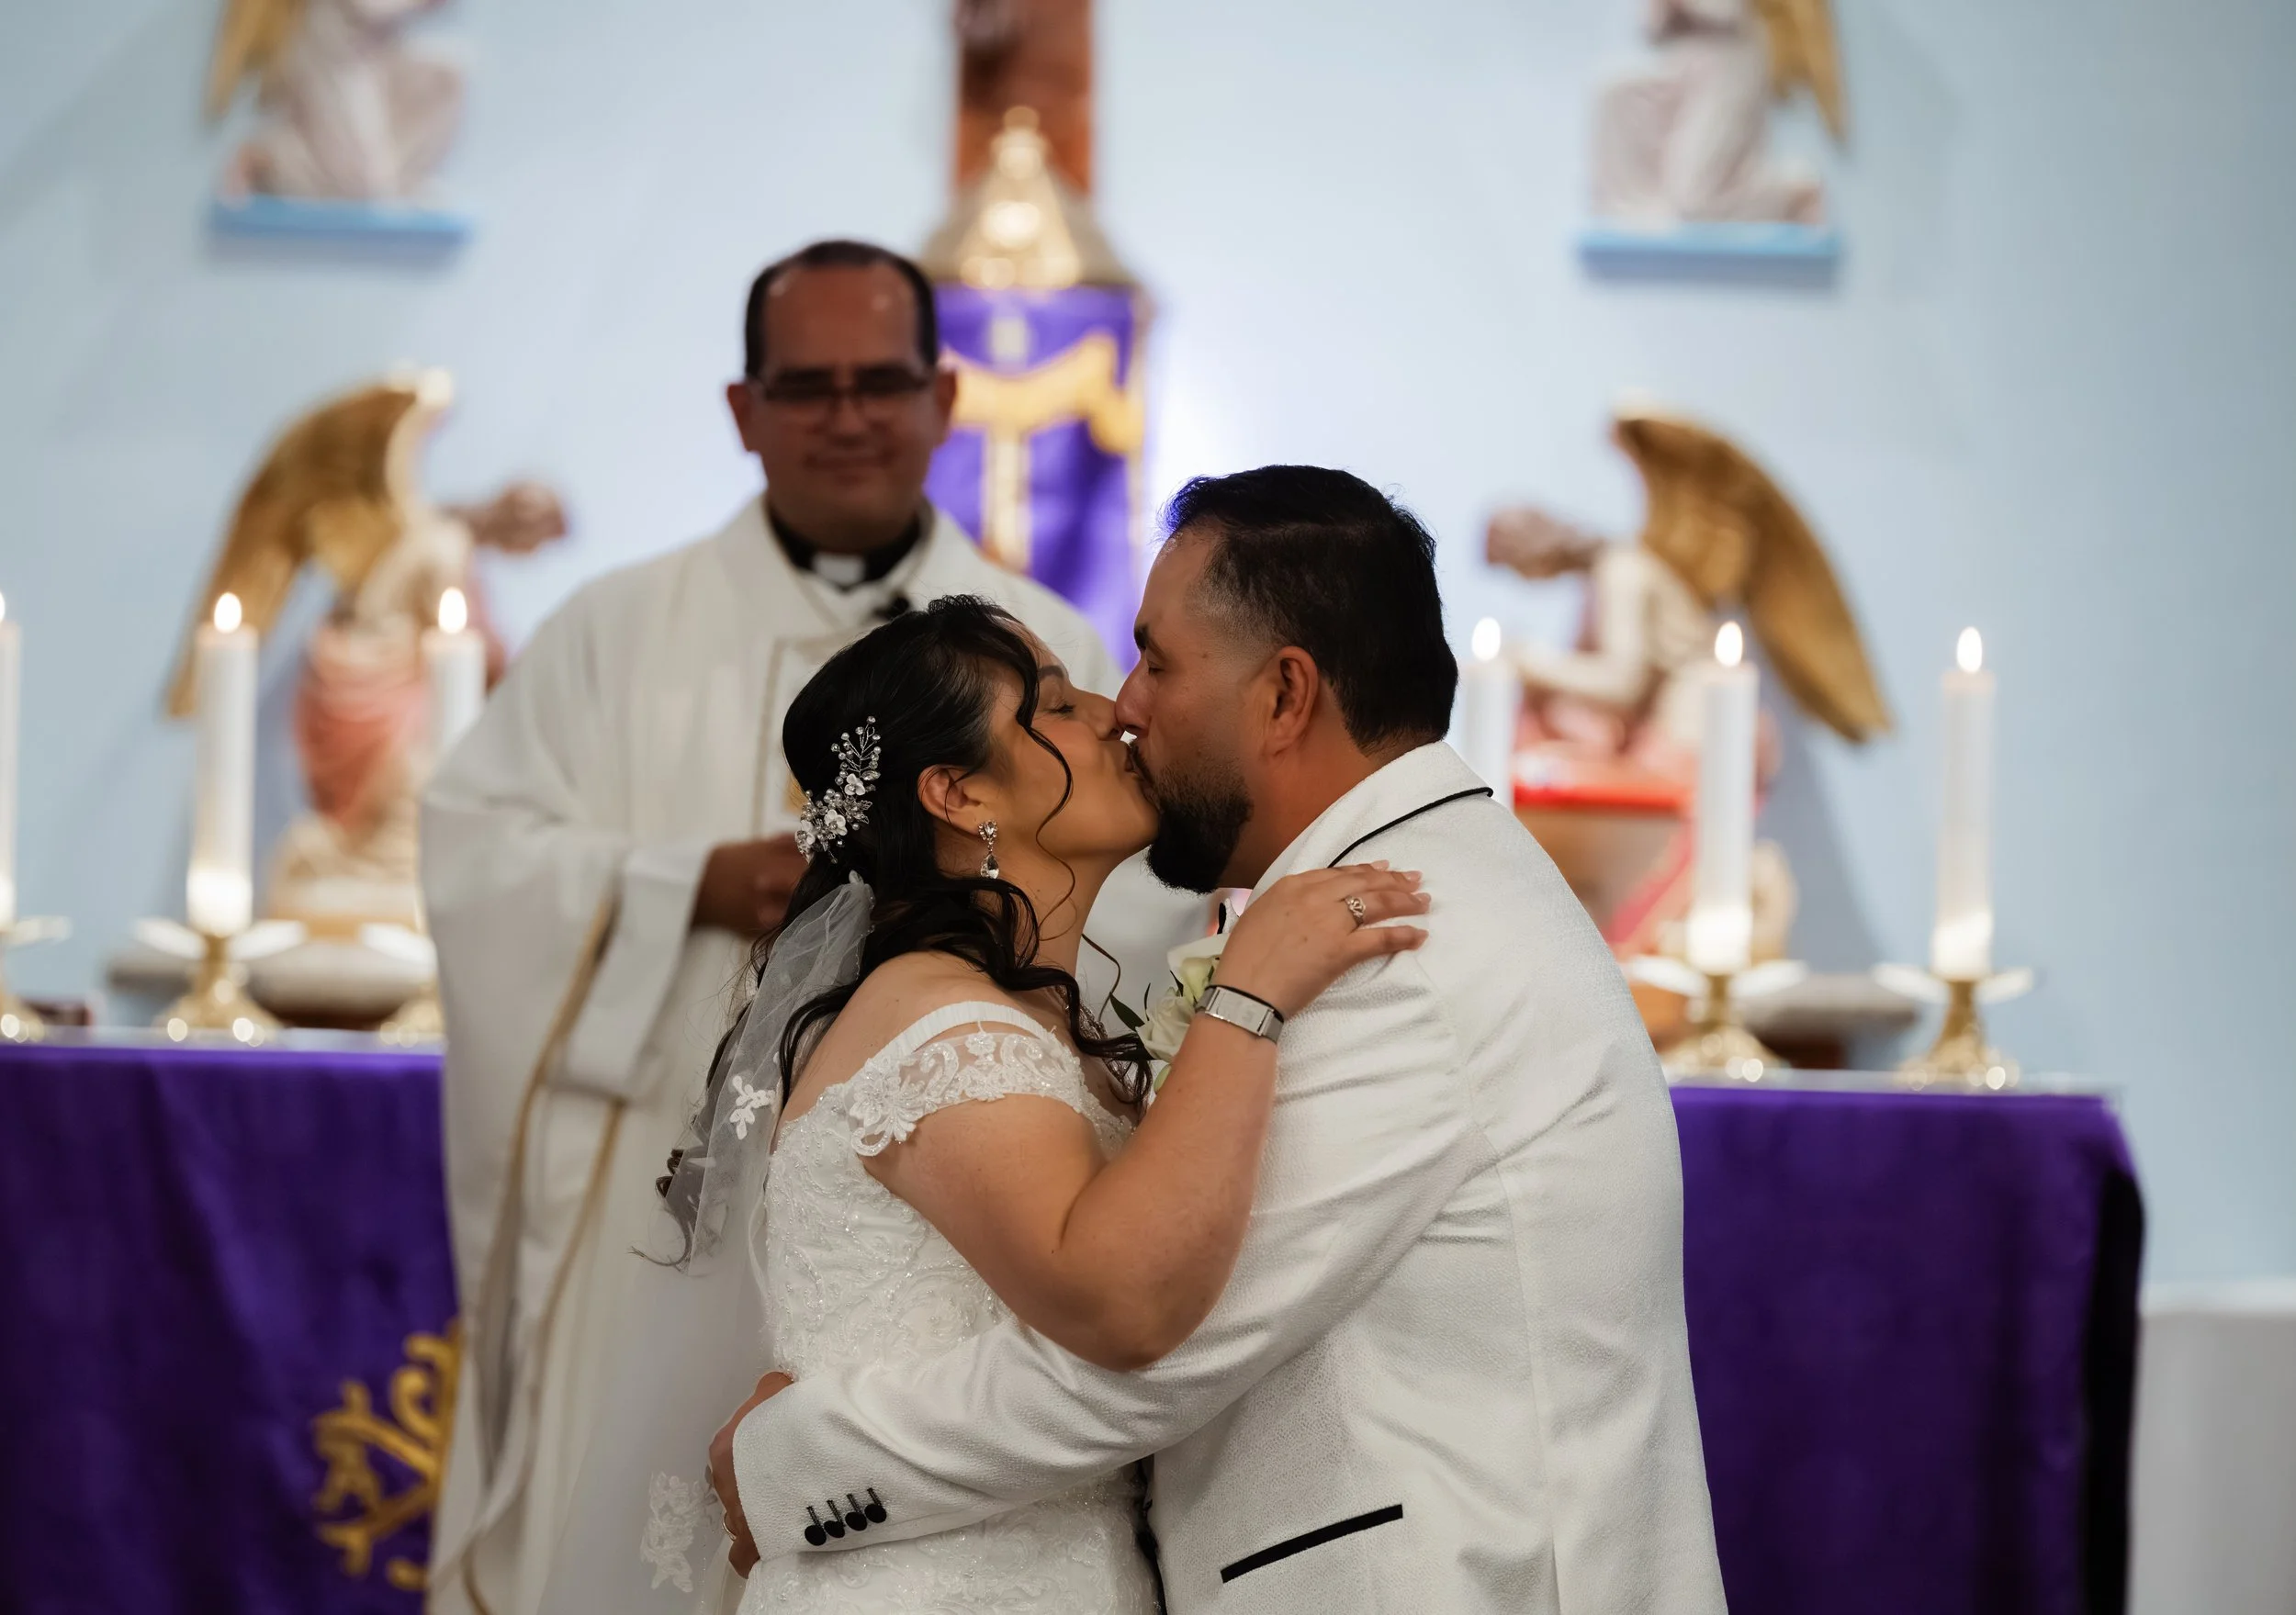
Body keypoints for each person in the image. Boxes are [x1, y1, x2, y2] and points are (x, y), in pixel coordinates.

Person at [720, 466, 1728, 1611]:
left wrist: (793, 1463)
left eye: (1157, 659)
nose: (1125, 706)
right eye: (1069, 695)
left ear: (1285, 693)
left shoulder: (1390, 942)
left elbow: (1156, 1343)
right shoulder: (1367, 907)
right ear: (955, 794)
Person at [420, 239, 1199, 1615]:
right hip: (664, 1185)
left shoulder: (1042, 642)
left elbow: (1127, 893)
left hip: (989, 1269)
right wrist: (676, 886)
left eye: (881, 380)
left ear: (944, 394)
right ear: (744, 409)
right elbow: (478, 855)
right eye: (809, 383)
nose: (848, 414)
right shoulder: (616, 628)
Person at [540, 594, 1425, 1610]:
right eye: (1050, 705)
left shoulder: (1009, 1015)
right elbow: (1120, 1302)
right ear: (957, 794)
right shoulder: (944, 1027)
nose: (1111, 712)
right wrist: (1247, 997)